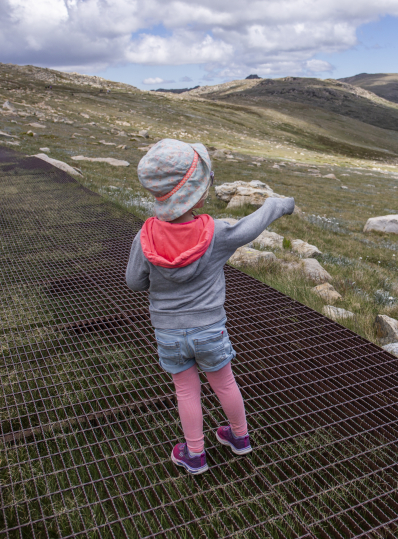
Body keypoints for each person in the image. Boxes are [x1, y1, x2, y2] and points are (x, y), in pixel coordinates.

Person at [126, 139, 294, 475]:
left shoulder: (144, 239)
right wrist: (277, 205)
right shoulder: (215, 233)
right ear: (196, 194)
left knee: (186, 390)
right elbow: (249, 227)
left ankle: (195, 454)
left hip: (169, 332)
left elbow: (134, 282)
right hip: (210, 329)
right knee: (225, 383)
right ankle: (240, 438)